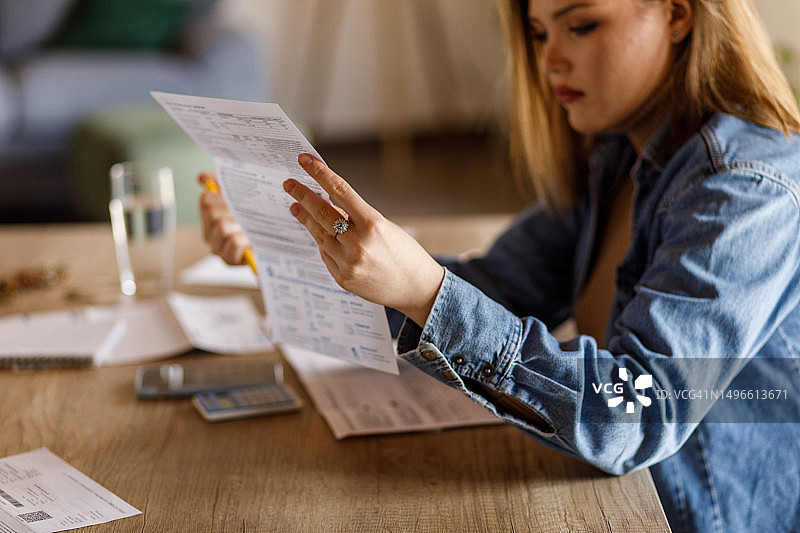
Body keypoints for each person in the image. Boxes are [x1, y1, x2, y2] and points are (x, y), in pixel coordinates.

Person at [199, 1, 800, 531]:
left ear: (677, 13)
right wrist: (296, 241)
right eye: (540, 33)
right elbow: (502, 287)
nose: (552, 60)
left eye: (582, 25)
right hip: (608, 496)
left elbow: (635, 415)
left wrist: (427, 293)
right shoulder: (619, 154)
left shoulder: (745, 192)